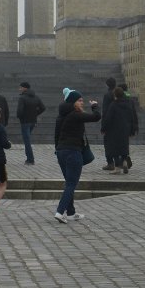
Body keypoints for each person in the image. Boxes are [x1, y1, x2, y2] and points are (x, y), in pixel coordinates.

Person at [54, 90, 100, 223]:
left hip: (61, 152)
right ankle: (59, 211)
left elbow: (56, 136)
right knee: (71, 184)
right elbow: (96, 117)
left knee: (69, 182)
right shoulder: (76, 115)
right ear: (73, 102)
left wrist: (57, 149)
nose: (82, 102)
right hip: (73, 152)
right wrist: (95, 106)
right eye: (79, 100)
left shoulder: (61, 116)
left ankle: (71, 212)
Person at [101, 87, 135, 174]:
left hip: (114, 130)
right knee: (124, 147)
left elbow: (108, 118)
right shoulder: (128, 104)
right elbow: (132, 117)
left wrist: (103, 128)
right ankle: (124, 162)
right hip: (125, 129)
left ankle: (117, 168)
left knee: (115, 149)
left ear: (115, 95)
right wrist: (132, 130)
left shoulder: (113, 105)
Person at [16, 82, 46, 165]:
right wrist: (35, 114)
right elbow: (43, 108)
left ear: (25, 88)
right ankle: (29, 158)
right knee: (27, 139)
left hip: (25, 122)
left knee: (27, 141)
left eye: (20, 87)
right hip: (33, 121)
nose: (19, 89)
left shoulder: (22, 98)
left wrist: (20, 117)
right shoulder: (36, 97)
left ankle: (30, 159)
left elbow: (19, 111)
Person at [100, 77, 118, 171]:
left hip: (110, 125)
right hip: (118, 124)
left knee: (108, 144)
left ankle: (110, 163)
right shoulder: (118, 94)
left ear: (107, 85)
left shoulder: (108, 95)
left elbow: (105, 111)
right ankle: (119, 162)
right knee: (117, 144)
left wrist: (103, 127)